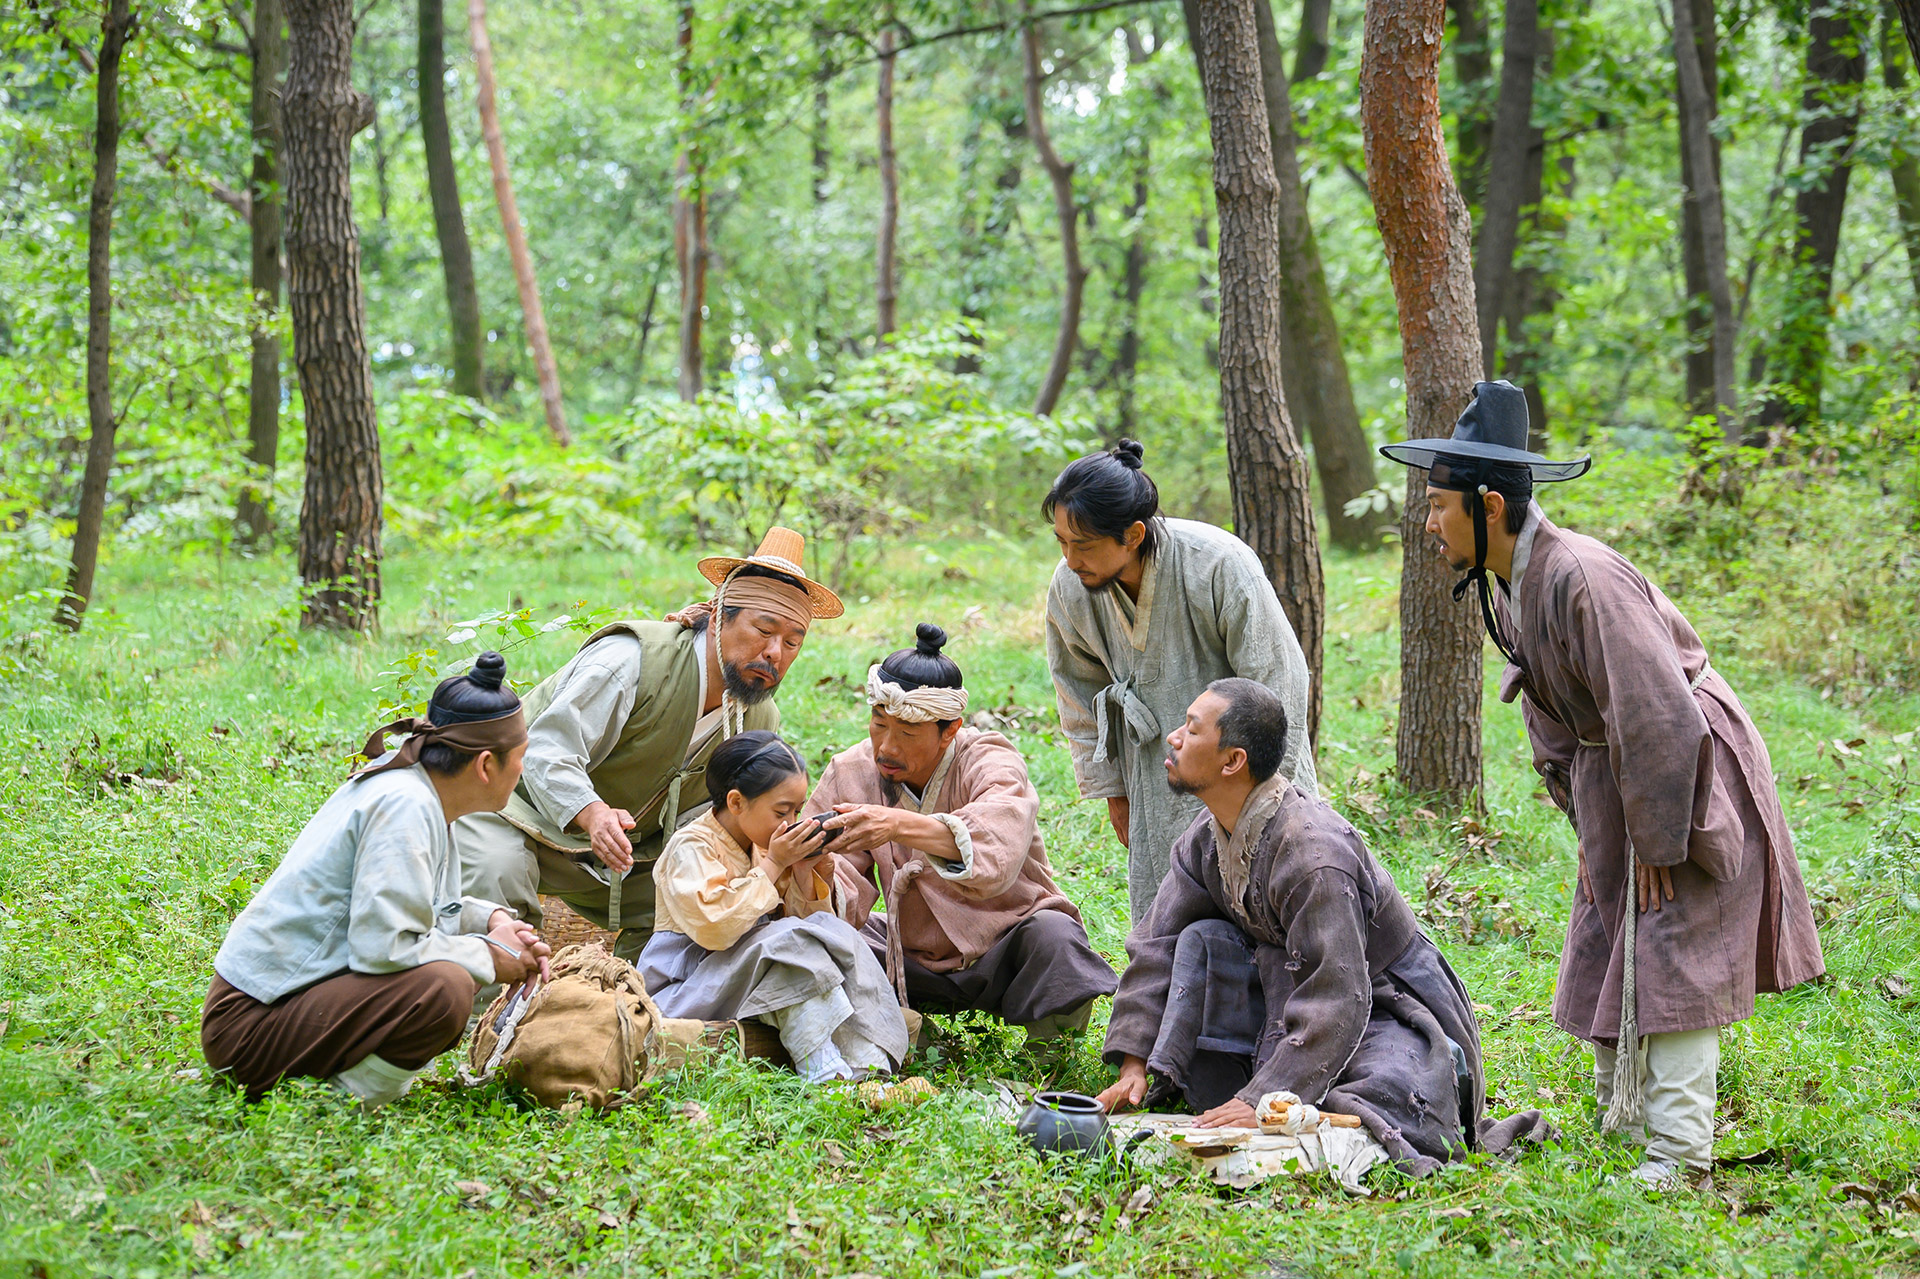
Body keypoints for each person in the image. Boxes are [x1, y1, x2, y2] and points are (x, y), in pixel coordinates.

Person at [1379, 379, 1826, 1188]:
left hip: (1681, 764)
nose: (1429, 521)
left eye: (1440, 505)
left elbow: (1657, 713)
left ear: (1488, 505)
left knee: (1672, 935)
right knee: (1609, 927)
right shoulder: (1512, 580)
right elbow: (1561, 716)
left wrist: (1661, 836)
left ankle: (1678, 1150)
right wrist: (1596, 829)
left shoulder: (1581, 575)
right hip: (1613, 770)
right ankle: (1624, 1120)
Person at [1097, 680, 1518, 1175]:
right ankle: (1259, 1077)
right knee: (1196, 943)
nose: (1173, 738)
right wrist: (1134, 1061)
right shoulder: (1207, 837)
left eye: (1191, 729)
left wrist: (1262, 1098)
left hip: (1383, 1001)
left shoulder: (1313, 854)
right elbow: (1157, 943)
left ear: (1232, 762)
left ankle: (1396, 1069)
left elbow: (1340, 993)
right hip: (1294, 991)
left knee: (1376, 1096)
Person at [457, 527, 842, 959]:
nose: (775, 653)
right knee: (499, 871)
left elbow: (727, 818)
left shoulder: (758, 717)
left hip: (627, 859)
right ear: (717, 618)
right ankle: (490, 1018)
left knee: (695, 906)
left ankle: (639, 1005)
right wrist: (593, 813)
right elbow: (546, 748)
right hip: (512, 812)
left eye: (792, 643)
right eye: (763, 630)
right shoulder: (633, 661)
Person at [202, 653, 550, 1108]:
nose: (522, 769)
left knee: (446, 978)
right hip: (247, 1025)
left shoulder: (421, 790)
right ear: (486, 765)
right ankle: (337, 1107)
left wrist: (491, 920)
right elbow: (385, 948)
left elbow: (425, 907)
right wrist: (488, 956)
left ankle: (328, 1087)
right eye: (520, 758)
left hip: (290, 1002)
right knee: (444, 989)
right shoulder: (405, 806)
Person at [1043, 439, 1318, 924]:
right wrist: (1114, 789)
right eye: (1061, 541)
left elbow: (1279, 680)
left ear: (1132, 534)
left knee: (1274, 904)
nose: (1069, 559)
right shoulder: (1070, 587)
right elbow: (1076, 690)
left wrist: (1265, 796)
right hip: (1152, 767)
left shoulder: (1217, 563)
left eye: (1082, 545)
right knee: (1171, 919)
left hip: (1244, 765)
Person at [809, 624, 1117, 1051]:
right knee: (824, 941)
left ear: (949, 731)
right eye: (879, 725)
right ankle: (914, 1033)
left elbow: (998, 845)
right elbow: (836, 882)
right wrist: (812, 870)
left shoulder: (991, 758)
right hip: (907, 953)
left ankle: (1050, 1047)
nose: (887, 748)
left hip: (1002, 944)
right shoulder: (851, 771)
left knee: (1054, 936)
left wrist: (896, 824)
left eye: (908, 733)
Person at [635, 731, 908, 1082]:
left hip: (753, 976)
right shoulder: (690, 847)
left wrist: (805, 871)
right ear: (736, 802)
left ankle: (870, 1068)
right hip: (684, 988)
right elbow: (716, 929)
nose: (791, 821)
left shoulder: (763, 844)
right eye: (782, 811)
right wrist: (775, 865)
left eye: (797, 810)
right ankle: (824, 1072)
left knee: (830, 933)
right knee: (788, 945)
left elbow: (811, 935)